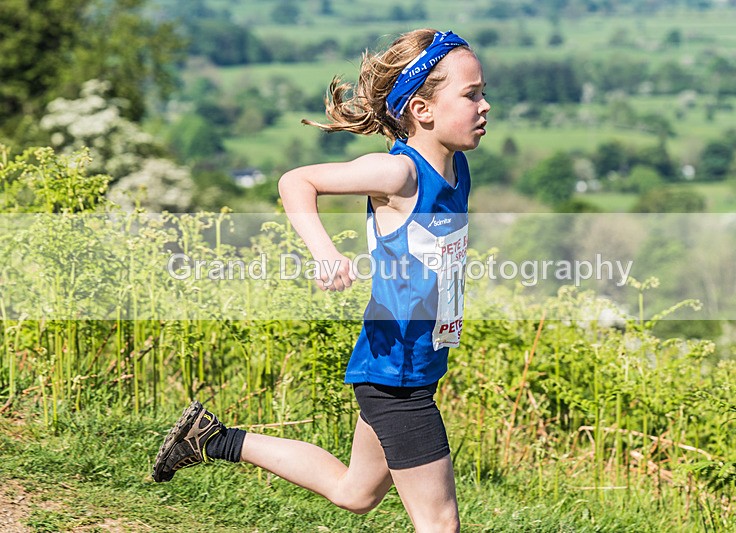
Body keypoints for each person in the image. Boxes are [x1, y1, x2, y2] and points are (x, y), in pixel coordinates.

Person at [152, 28, 490, 533]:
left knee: (355, 492)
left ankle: (211, 439)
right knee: (440, 524)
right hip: (396, 378)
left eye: (483, 92)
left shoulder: (456, 168)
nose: (485, 106)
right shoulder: (400, 174)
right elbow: (297, 181)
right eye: (471, 94)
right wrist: (325, 252)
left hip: (407, 364)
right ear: (422, 110)